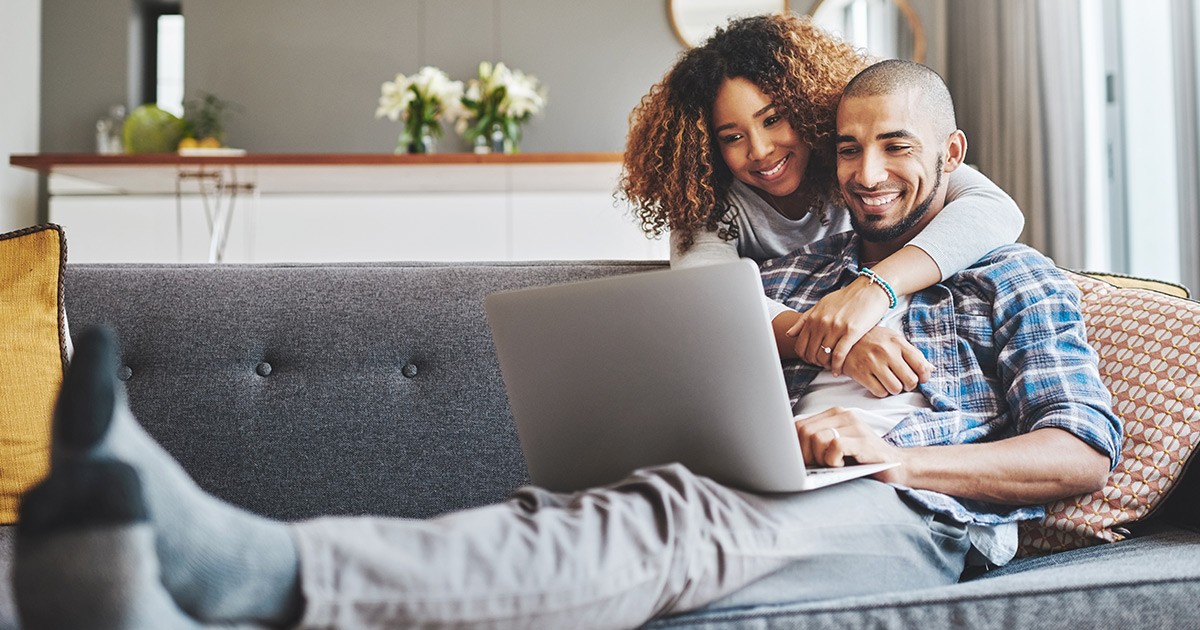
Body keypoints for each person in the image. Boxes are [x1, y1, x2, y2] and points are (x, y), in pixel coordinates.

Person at [15, 60, 1120, 630]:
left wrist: (886, 456)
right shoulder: (799, 266)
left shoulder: (1006, 275)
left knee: (673, 524)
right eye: (849, 149)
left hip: (913, 516)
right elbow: (708, 306)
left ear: (953, 152)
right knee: (587, 516)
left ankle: (253, 565)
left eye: (897, 149)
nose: (869, 172)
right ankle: (165, 597)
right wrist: (775, 365)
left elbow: (1082, 454)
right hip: (771, 479)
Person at [620, 14, 1024, 385]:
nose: (759, 150)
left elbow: (996, 210)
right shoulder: (705, 200)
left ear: (808, 108)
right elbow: (706, 298)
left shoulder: (857, 159)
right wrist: (832, 343)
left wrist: (876, 287)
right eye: (732, 137)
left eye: (773, 119)